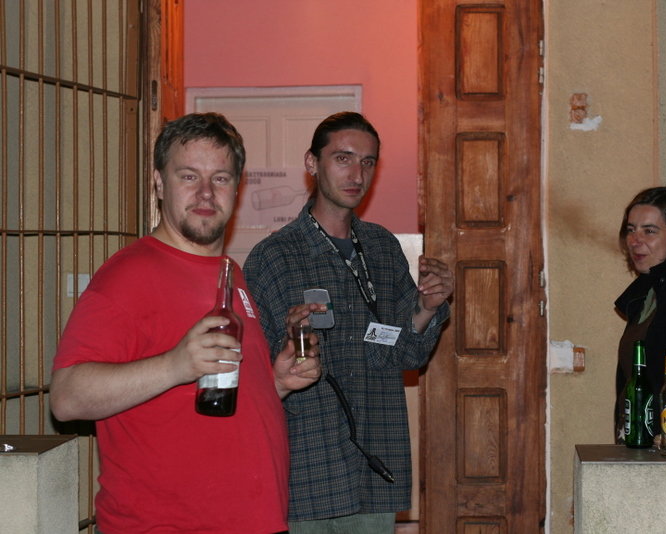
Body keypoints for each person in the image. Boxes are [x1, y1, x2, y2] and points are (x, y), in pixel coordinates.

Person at [50, 112, 323, 534]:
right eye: (189, 176)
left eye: (220, 178)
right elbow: (66, 398)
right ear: (159, 183)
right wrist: (175, 364)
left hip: (252, 521)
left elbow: (210, 396)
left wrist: (277, 383)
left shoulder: (231, 273)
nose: (206, 193)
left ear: (237, 187)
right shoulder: (128, 275)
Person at [243, 111, 454, 533]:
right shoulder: (274, 257)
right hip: (307, 469)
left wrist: (428, 307)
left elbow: (405, 354)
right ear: (312, 163)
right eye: (343, 158)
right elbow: (253, 378)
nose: (357, 174)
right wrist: (287, 346)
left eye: (368, 162)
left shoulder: (381, 247)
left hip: (375, 461)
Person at [613, 186, 666, 444]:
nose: (635, 240)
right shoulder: (644, 294)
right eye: (631, 230)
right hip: (637, 438)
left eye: (649, 231)